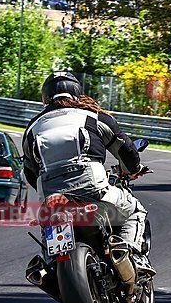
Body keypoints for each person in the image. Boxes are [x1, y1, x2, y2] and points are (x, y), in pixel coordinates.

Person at [21, 73, 154, 275]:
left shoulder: (32, 127)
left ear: (45, 97)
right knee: (134, 210)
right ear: (78, 93)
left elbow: (30, 172)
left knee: (48, 221)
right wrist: (133, 171)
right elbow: (125, 149)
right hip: (92, 189)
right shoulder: (94, 116)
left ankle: (48, 268)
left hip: (51, 196)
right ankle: (132, 256)